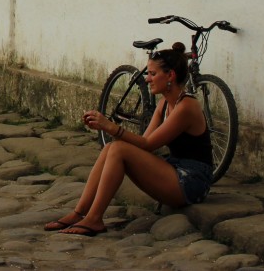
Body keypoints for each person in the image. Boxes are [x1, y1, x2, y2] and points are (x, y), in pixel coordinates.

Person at [44, 43, 213, 237]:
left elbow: (149, 145)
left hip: (192, 181)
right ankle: (79, 213)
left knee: (118, 149)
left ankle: (94, 218)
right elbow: (144, 144)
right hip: (174, 170)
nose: (147, 79)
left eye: (152, 74)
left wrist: (110, 126)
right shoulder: (164, 104)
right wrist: (105, 127)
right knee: (111, 149)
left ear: (170, 76)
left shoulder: (187, 106)